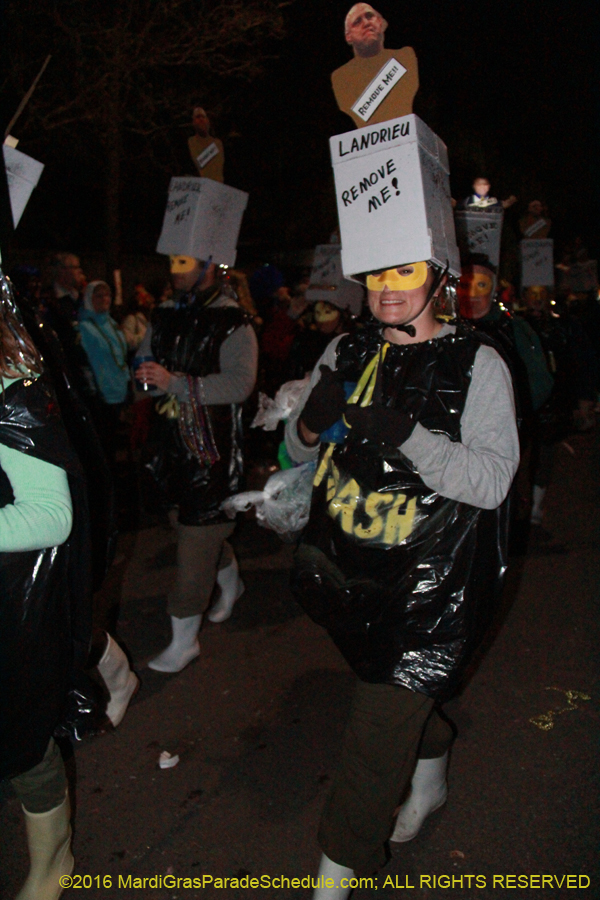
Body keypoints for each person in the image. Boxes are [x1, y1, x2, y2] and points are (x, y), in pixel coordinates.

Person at [285, 259, 519, 897]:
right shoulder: (346, 346)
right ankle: (432, 756)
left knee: (375, 726)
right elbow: (300, 448)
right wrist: (308, 423)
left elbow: (494, 481)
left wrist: (410, 436)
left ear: (438, 278)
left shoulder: (478, 364)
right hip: (351, 567)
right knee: (394, 695)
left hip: (428, 585)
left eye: (405, 273)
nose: (388, 290)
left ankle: (333, 880)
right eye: (376, 275)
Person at [0, 273, 85, 900]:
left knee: (21, 737)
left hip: (9, 605)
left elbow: (52, 516)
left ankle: (53, 863)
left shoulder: (13, 391)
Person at [135, 255, 258, 670]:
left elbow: (240, 384)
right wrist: (146, 377)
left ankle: (184, 642)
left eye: (184, 260)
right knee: (190, 529)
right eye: (172, 259)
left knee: (194, 544)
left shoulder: (233, 321)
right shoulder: (165, 314)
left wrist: (177, 384)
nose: (175, 268)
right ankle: (233, 582)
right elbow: (143, 362)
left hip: (213, 450)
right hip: (169, 448)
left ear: (211, 266)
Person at [331, 4, 419, 127]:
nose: (366, 23)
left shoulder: (404, 56)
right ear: (348, 37)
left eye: (369, 16)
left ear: (379, 22)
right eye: (357, 22)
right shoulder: (340, 77)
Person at [78, 280, 130, 461]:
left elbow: (120, 356)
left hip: (120, 391)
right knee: (104, 446)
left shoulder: (112, 323)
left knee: (118, 443)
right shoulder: (84, 327)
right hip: (102, 396)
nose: (104, 299)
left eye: (107, 294)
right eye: (98, 295)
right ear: (89, 298)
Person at [187, 106, 224, 182]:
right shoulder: (191, 141)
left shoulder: (218, 143)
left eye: (203, 117)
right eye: (198, 117)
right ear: (193, 122)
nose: (201, 119)